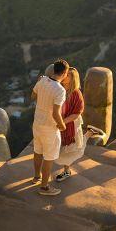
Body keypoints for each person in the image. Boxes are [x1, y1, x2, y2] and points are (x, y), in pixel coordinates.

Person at [31, 59, 68, 196]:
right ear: (64, 73)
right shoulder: (60, 90)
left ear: (53, 70)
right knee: (49, 157)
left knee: (37, 151)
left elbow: (32, 96)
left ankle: (36, 177)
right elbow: (55, 113)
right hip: (50, 127)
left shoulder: (42, 81)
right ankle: (45, 187)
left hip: (37, 123)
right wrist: (62, 126)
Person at [55, 67, 87, 182]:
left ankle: (66, 171)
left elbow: (77, 113)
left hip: (71, 125)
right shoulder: (59, 89)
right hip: (59, 123)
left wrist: (62, 122)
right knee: (58, 147)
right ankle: (89, 133)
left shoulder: (76, 93)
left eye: (67, 75)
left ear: (73, 78)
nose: (64, 76)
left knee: (68, 148)